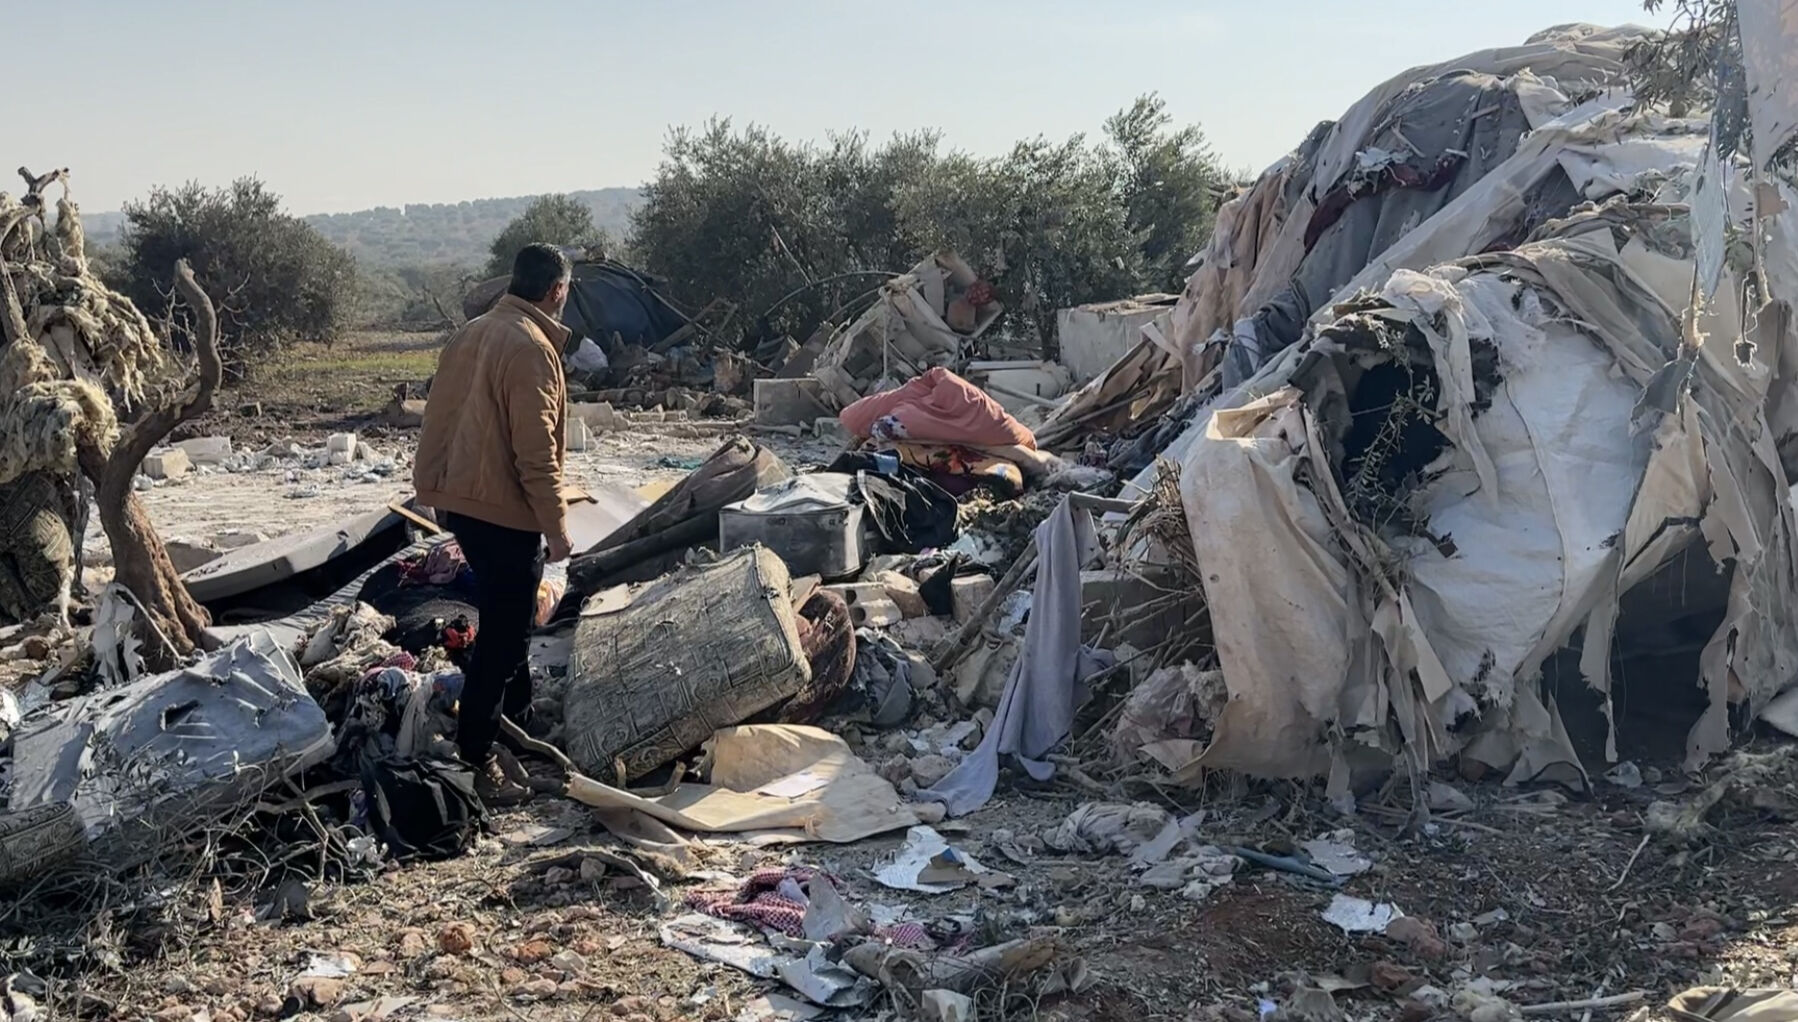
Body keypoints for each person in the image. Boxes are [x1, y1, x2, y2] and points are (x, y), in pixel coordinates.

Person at [414, 243, 575, 804]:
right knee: (505, 636)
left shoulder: (473, 332)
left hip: (463, 500)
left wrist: (433, 488)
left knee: (506, 614)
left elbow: (441, 417)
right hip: (502, 509)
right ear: (557, 290)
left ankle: (520, 722)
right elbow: (536, 453)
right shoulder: (531, 348)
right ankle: (476, 754)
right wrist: (556, 528)